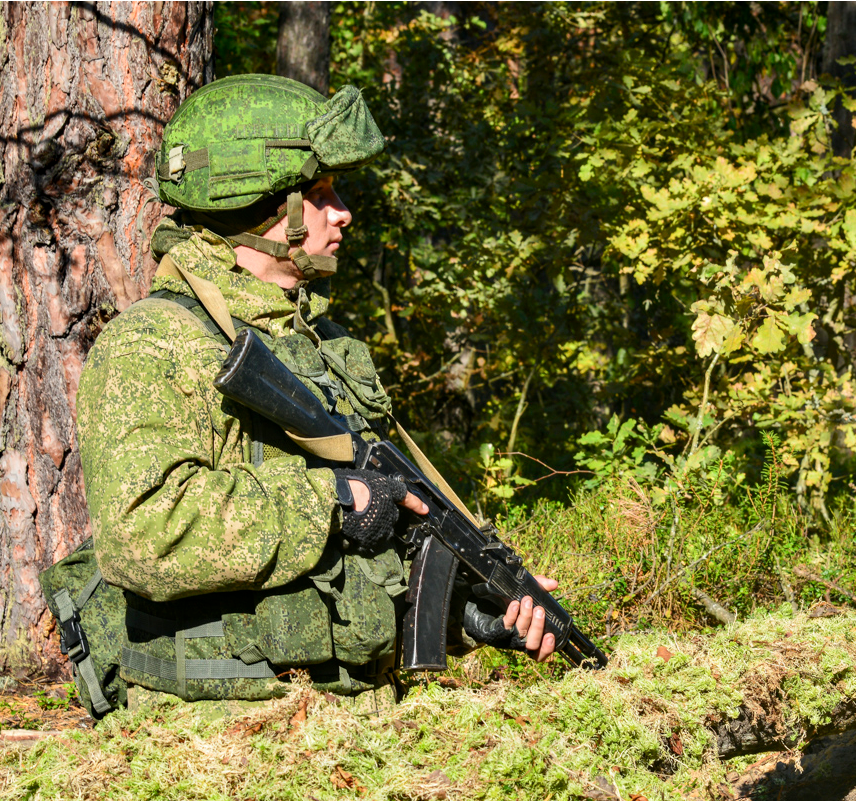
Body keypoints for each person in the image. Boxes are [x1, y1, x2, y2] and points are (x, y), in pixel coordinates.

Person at [75, 75, 555, 710]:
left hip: (343, 724)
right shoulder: (154, 345)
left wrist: (470, 614)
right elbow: (143, 536)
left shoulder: (321, 344)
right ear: (262, 206)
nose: (342, 213)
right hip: (220, 736)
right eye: (321, 195)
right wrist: (332, 498)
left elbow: (363, 559)